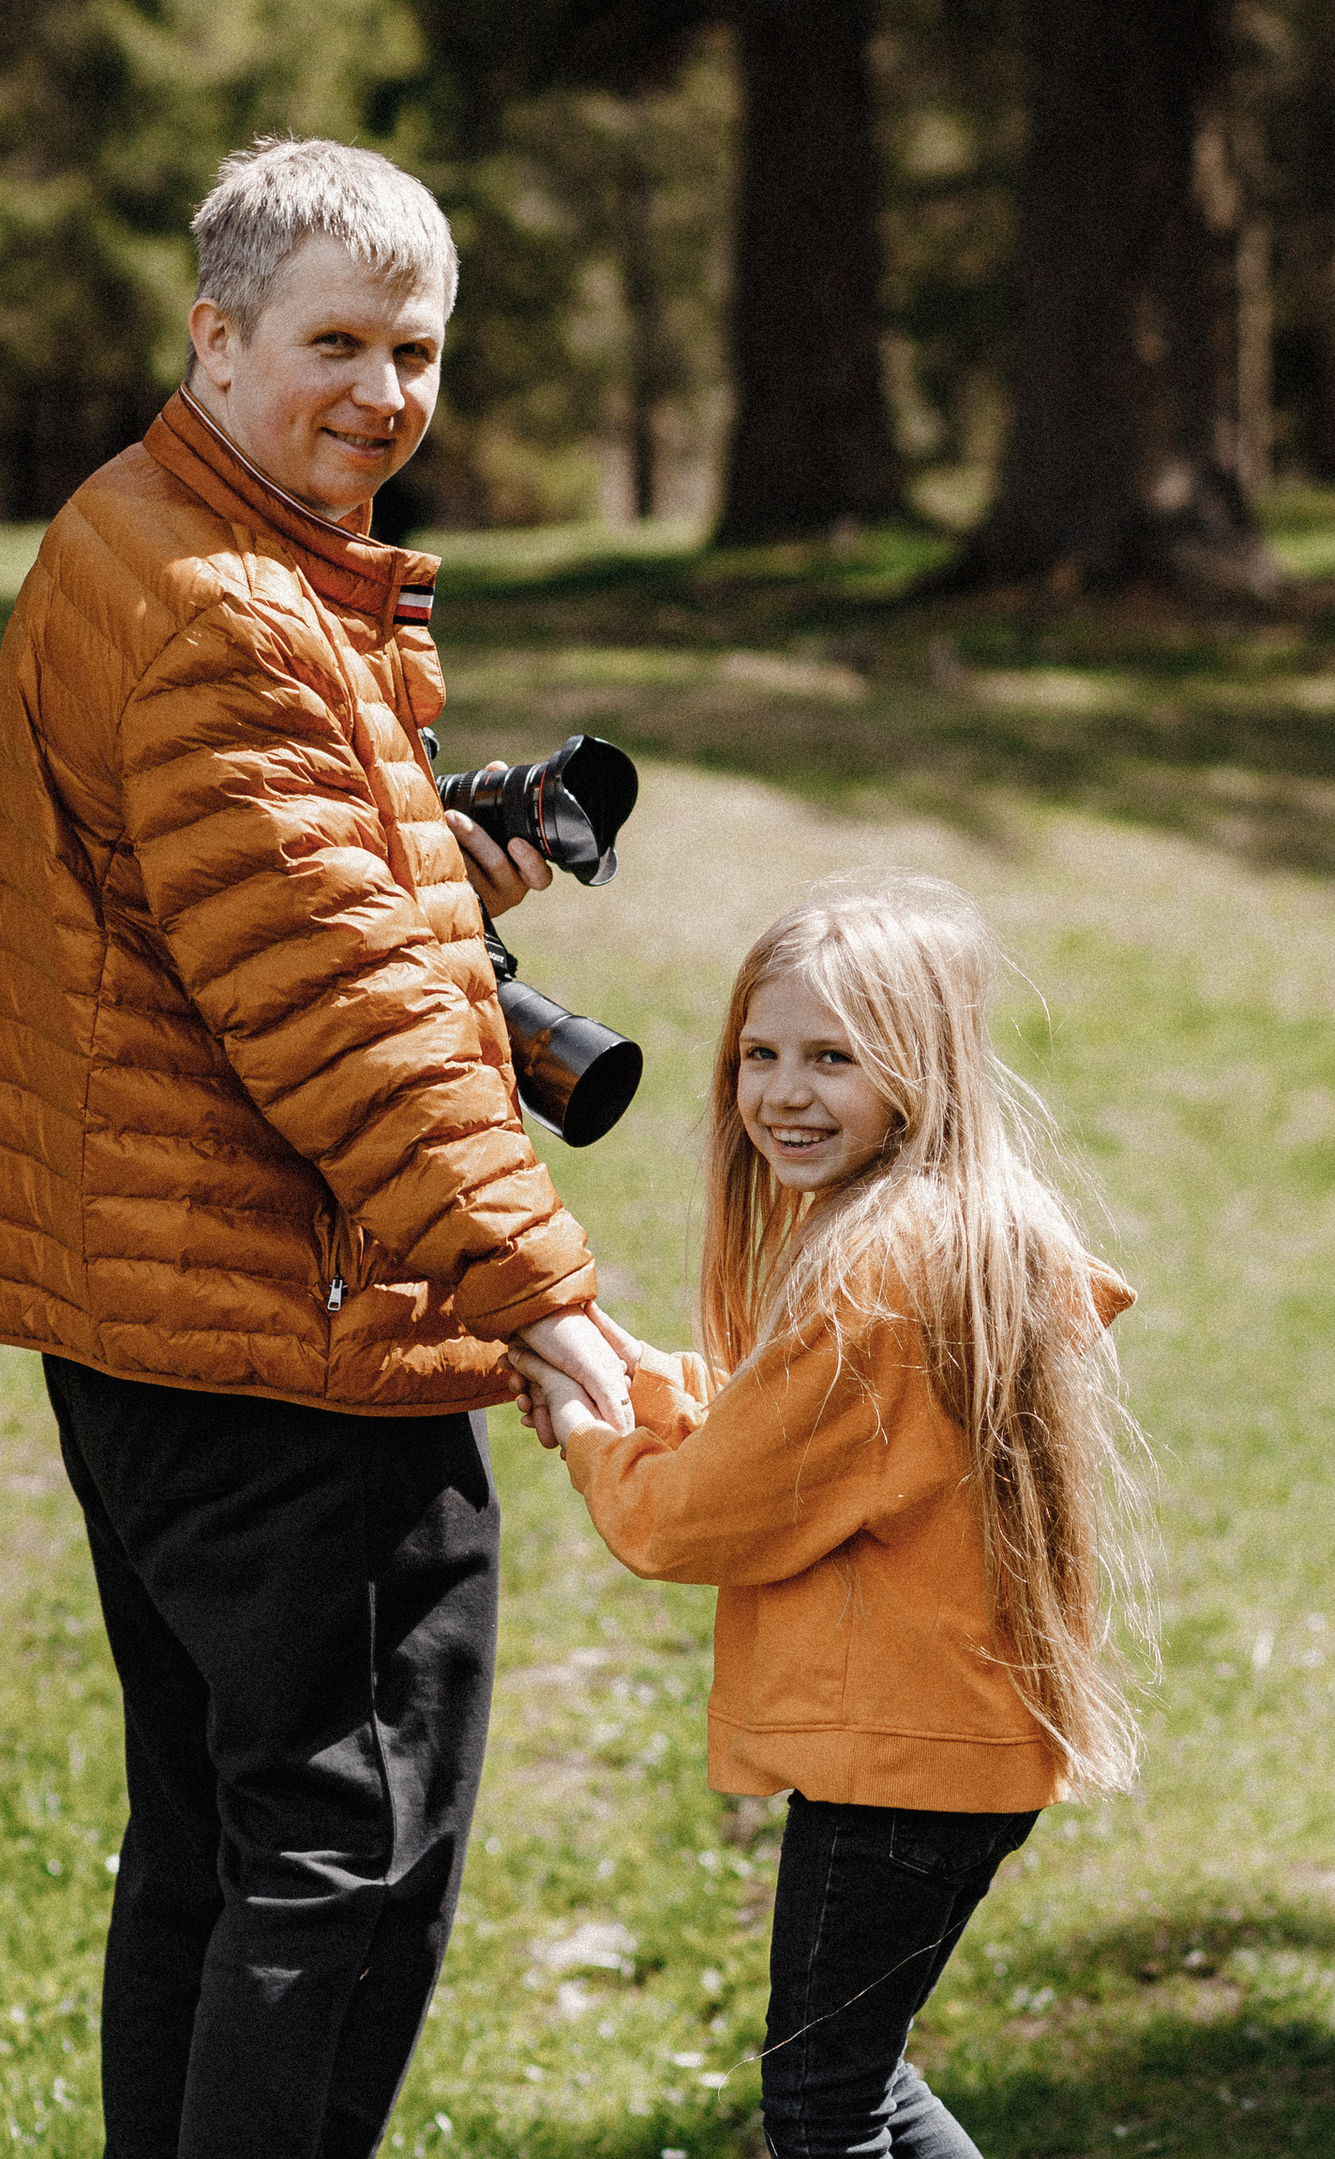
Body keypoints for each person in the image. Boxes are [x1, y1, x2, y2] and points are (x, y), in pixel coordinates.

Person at [0, 135, 637, 2159]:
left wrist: (438, 860)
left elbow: (265, 916)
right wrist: (538, 1288)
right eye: (335, 340)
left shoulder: (136, 534)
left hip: (151, 1315)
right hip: (277, 1330)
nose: (381, 392)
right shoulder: (223, 610)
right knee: (345, 1846)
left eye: (413, 350)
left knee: (221, 1839)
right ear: (214, 334)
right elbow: (341, 1019)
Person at [511, 875, 1149, 2159]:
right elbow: (788, 1436)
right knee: (862, 2079)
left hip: (895, 1765)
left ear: (921, 1066)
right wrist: (628, 1374)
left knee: (825, 2106)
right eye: (759, 1053)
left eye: (833, 1057)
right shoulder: (953, 1233)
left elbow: (688, 1520)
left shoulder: (876, 1274)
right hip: (953, 1742)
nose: (783, 1093)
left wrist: (584, 1431)